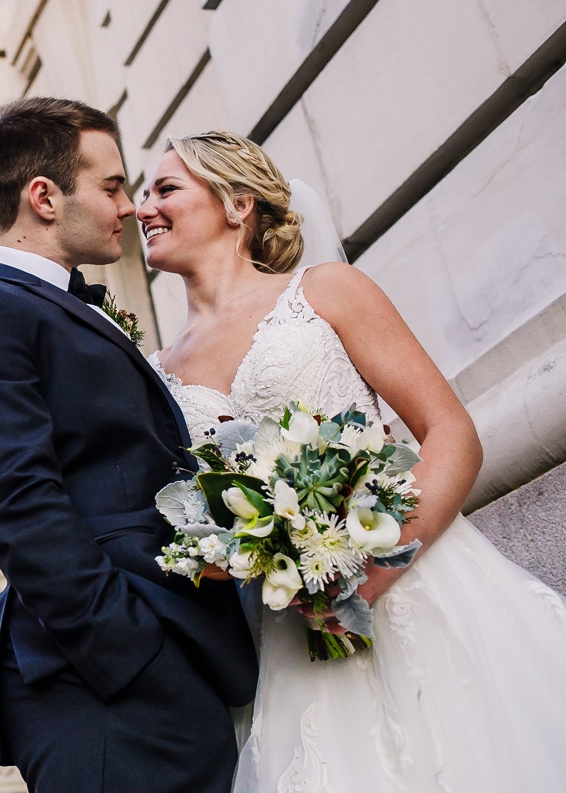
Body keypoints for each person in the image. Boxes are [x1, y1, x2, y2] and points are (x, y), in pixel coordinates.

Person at [138, 130, 566, 792]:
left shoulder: (326, 292)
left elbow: (451, 432)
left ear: (237, 204)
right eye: (141, 193)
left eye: (165, 189)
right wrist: (228, 558)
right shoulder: (156, 373)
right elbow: (198, 524)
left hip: (418, 586)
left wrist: (370, 574)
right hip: (291, 635)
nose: (144, 208)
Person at [0, 98, 258, 792]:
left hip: (160, 667)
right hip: (106, 683)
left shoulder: (60, 308)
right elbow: (14, 505)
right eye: (111, 187)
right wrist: (133, 656)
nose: (130, 208)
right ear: (44, 197)